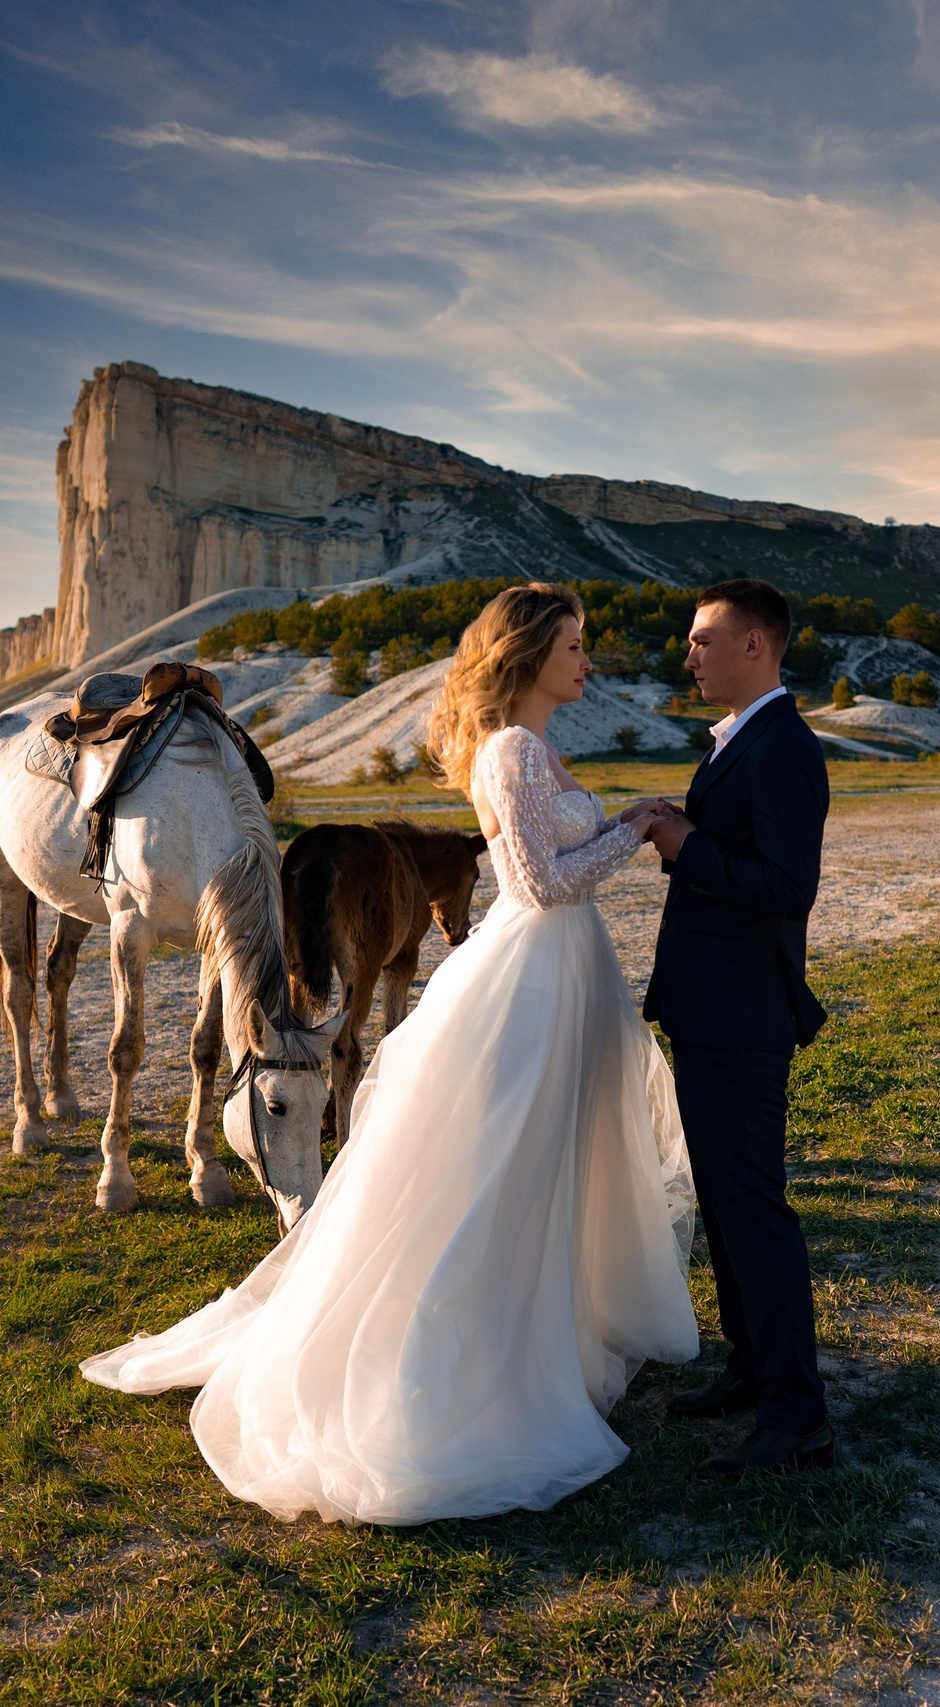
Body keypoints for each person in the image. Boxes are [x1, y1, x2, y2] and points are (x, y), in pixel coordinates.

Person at [79, 582, 698, 1526]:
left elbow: (551, 866)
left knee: (555, 1155)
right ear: (527, 655)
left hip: (565, 972)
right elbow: (540, 884)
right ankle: (474, 1354)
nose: (587, 661)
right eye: (573, 645)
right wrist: (640, 830)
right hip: (533, 972)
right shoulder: (511, 750)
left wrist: (623, 820)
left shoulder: (536, 746)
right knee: (510, 1160)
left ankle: (549, 1322)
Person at [636, 579, 834, 1480]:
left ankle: (797, 1419)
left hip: (745, 1016)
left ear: (756, 645)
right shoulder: (740, 742)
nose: (691, 655)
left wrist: (686, 845)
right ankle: (753, 1370)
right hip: (710, 1010)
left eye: (704, 639)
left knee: (754, 1211)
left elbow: (786, 887)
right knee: (724, 1203)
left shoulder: (784, 747)